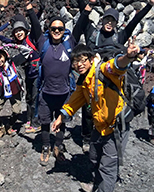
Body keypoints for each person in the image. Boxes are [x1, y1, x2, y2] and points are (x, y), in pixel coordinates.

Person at [73, 0, 154, 152]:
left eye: (112, 21)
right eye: (106, 20)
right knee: (87, 108)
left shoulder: (120, 36)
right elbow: (83, 15)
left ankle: (108, 134)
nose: (109, 23)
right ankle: (87, 137)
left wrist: (149, 3)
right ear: (102, 21)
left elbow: (134, 21)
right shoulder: (92, 33)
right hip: (91, 76)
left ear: (116, 23)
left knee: (110, 106)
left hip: (112, 77)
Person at [52, 39, 140, 192]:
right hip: (99, 127)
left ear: (91, 59)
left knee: (107, 167)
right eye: (75, 62)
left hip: (116, 128)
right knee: (94, 157)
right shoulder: (85, 81)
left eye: (82, 60)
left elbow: (117, 65)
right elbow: (74, 101)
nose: (79, 65)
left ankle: (103, 187)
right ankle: (96, 184)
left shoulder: (104, 70)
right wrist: (60, 117)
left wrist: (128, 56)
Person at [22, 0, 80, 165]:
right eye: (53, 28)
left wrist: (85, 1)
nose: (56, 31)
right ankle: (46, 146)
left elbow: (83, 22)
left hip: (64, 92)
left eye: (60, 29)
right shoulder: (42, 42)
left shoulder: (70, 42)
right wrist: (28, 3)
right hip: (46, 93)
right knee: (45, 122)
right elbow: (34, 22)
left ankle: (58, 146)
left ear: (64, 32)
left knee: (61, 121)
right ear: (49, 30)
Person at [0, 13, 41, 134]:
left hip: (37, 71)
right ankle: (29, 119)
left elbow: (35, 25)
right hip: (29, 72)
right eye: (16, 31)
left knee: (35, 97)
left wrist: (37, 12)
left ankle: (36, 123)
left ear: (25, 31)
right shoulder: (17, 42)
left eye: (20, 30)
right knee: (29, 97)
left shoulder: (31, 38)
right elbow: (4, 40)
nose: (18, 33)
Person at [0, 45, 31, 138]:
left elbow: (27, 52)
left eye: (0, 57)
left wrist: (15, 46)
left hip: (15, 92)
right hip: (1, 93)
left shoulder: (13, 63)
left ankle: (9, 126)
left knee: (17, 111)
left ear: (5, 56)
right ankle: (1, 127)